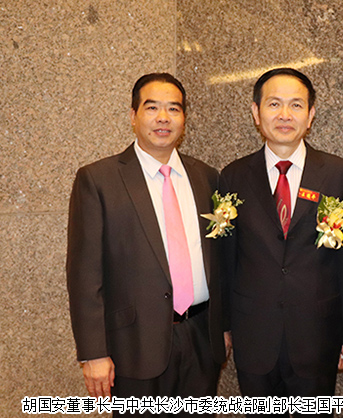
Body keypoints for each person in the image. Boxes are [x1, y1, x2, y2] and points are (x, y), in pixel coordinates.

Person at [66, 73, 228, 416]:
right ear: (133, 115)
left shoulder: (207, 178)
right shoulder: (98, 179)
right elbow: (84, 274)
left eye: (174, 109)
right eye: (152, 108)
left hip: (201, 338)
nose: (163, 118)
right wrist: (94, 353)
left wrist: (223, 326)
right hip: (133, 345)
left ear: (184, 118)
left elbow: (221, 260)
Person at [220, 68, 343, 408]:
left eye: (296, 105)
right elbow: (225, 261)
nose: (284, 115)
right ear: (256, 113)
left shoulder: (340, 175)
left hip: (318, 336)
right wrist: (222, 327)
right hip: (254, 337)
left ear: (310, 115)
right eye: (274, 104)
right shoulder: (233, 176)